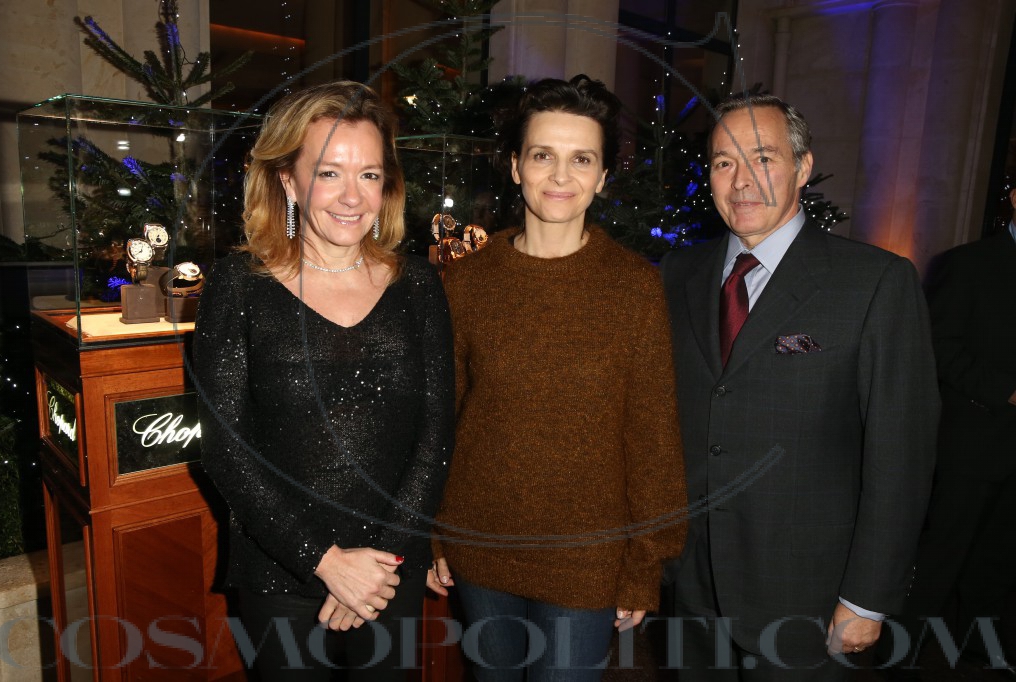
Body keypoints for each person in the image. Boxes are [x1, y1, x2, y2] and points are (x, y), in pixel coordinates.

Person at [659, 93, 939, 681]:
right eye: (723, 162)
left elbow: (900, 454)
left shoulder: (874, 283)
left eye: (762, 158)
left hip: (810, 597)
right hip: (692, 590)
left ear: (803, 167)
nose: (741, 181)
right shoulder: (676, 277)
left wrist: (867, 598)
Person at [428, 74, 688, 682]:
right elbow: (444, 416)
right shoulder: (469, 280)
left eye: (582, 160)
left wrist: (644, 564)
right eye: (543, 155)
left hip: (588, 556)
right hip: (480, 539)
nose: (561, 177)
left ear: (602, 176)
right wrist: (435, 534)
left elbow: (653, 437)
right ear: (516, 166)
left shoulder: (634, 287)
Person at [194, 81, 454, 680]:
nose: (352, 197)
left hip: (392, 569)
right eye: (329, 172)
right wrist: (326, 562)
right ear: (288, 179)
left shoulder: (417, 285)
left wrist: (379, 564)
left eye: (369, 174)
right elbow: (225, 448)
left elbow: (436, 436)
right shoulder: (238, 285)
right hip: (279, 567)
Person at [883, 185, 1016, 675]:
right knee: (941, 557)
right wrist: (1005, 390)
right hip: (973, 439)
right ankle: (899, 654)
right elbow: (937, 345)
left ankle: (982, 652)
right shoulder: (969, 264)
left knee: (1000, 561)